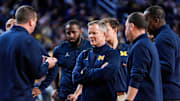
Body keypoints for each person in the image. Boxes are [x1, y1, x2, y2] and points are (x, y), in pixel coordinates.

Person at [0, 5, 57, 101]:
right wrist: (48, 64)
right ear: (31, 22)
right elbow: (37, 73)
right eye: (35, 22)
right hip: (21, 97)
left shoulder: (1, 39)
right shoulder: (29, 41)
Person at [72, 20, 120, 101]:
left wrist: (85, 72)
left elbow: (106, 74)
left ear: (104, 34)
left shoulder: (113, 54)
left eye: (94, 33)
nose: (90, 36)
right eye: (89, 33)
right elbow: (75, 77)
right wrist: (99, 70)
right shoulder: (84, 55)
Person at [144, 5, 180, 101]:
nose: (145, 25)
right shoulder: (171, 35)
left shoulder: (163, 38)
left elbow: (167, 67)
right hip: (172, 92)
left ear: (156, 20)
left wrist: (143, 66)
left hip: (168, 93)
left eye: (147, 20)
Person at [124, 12, 163, 101]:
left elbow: (137, 77)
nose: (125, 31)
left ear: (131, 26)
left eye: (126, 27)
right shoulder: (147, 43)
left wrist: (128, 99)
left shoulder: (140, 46)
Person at [51, 19, 91, 101]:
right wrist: (56, 89)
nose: (71, 35)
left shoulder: (90, 47)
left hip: (84, 93)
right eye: (68, 33)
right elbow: (55, 71)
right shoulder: (59, 50)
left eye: (74, 32)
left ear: (80, 31)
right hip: (64, 93)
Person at [100, 18, 129, 101]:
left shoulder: (128, 49)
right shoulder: (96, 53)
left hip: (124, 96)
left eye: (106, 30)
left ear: (115, 30)